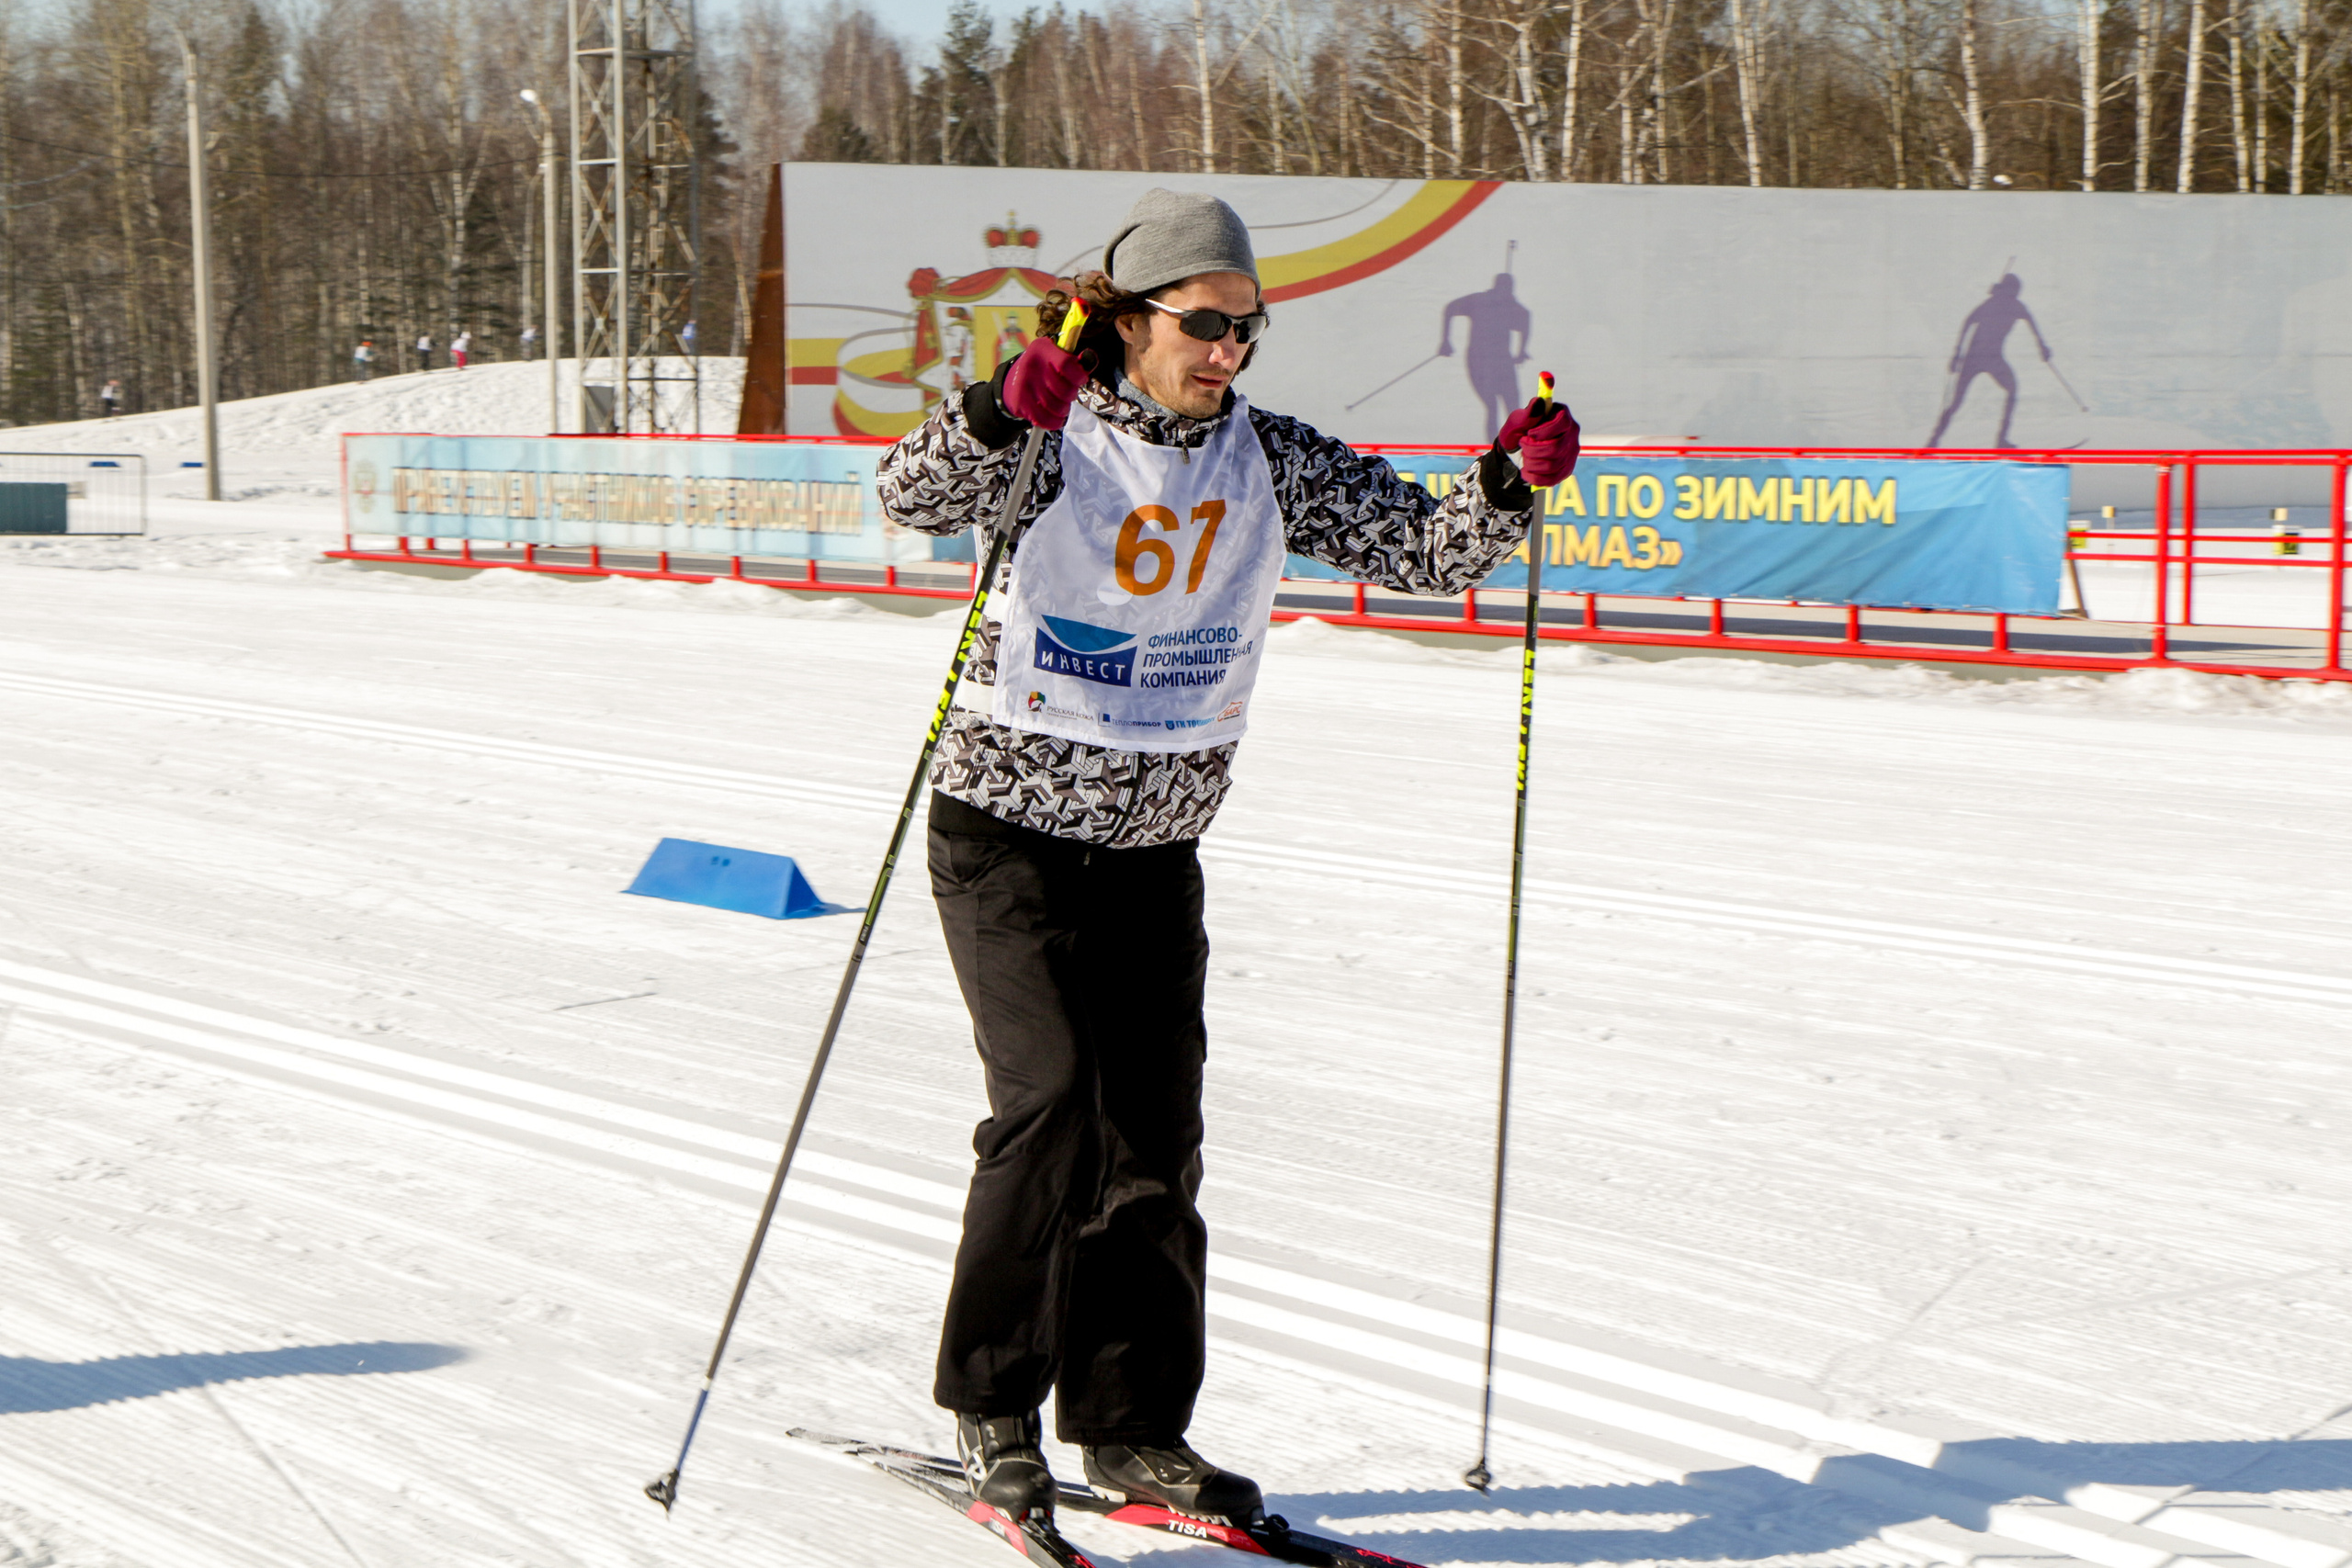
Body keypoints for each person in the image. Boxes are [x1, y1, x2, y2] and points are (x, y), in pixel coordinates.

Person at [876, 188, 1577, 1529]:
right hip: (1008, 832)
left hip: (1155, 846)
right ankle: (990, 1403)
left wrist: (1506, 479)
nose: (1230, 350)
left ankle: (1133, 1426)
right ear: (1131, 319)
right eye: (1205, 325)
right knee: (1051, 1104)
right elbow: (909, 494)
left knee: (1154, 1137)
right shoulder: (1048, 421)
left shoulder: (1267, 453)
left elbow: (1422, 552)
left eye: (1248, 328)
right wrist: (993, 412)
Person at [1926, 273, 2052, 449]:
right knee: (1957, 402)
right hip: (1977, 358)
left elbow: (2031, 323)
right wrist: (1956, 353)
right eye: (2013, 290)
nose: (2014, 293)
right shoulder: (1998, 304)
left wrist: (2042, 346)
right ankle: (1933, 442)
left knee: (2008, 390)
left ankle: (2000, 440)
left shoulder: (2005, 304)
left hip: (1987, 357)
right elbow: (1968, 322)